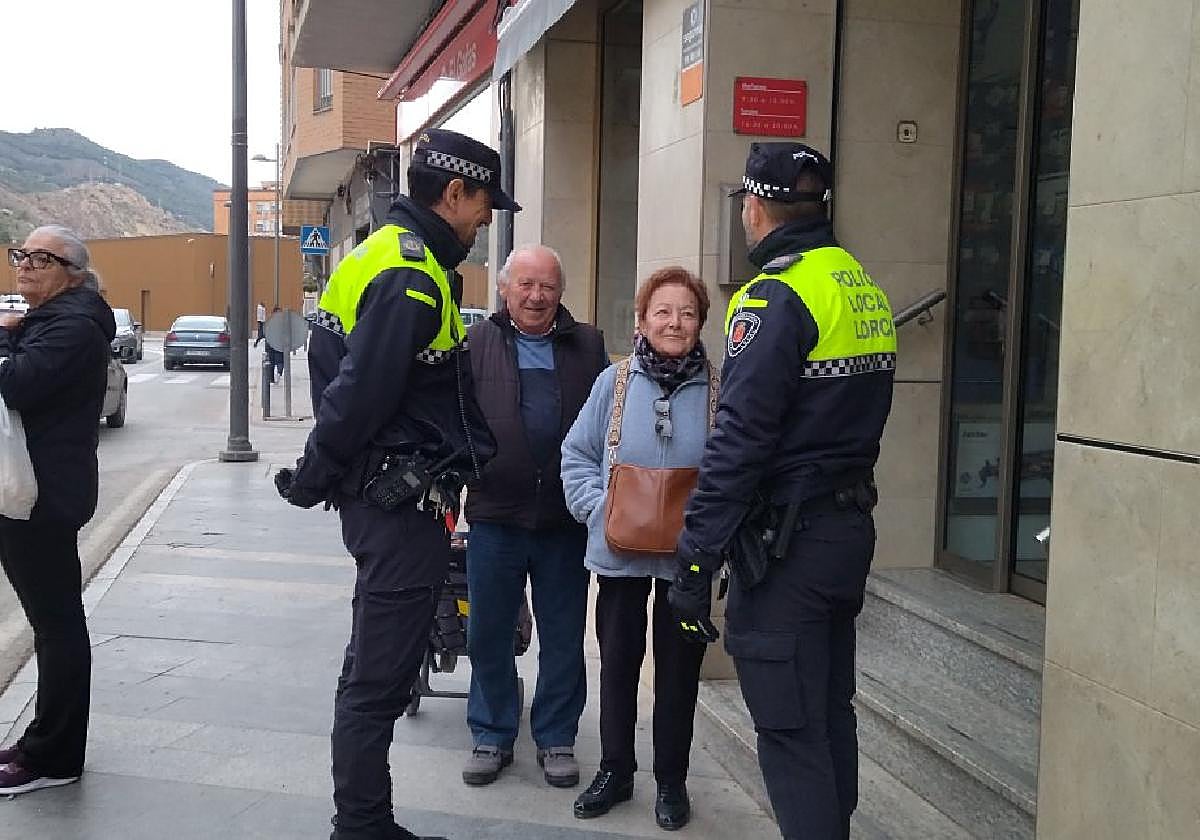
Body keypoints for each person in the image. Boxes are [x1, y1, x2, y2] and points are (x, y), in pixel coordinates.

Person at [274, 128, 517, 840]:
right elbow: (360, 396)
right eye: (483, 205)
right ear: (454, 193)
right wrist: (314, 475)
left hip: (390, 499)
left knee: (372, 667)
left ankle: (365, 822)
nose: (485, 220)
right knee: (378, 679)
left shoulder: (390, 255)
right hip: (398, 504)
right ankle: (361, 828)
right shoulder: (412, 273)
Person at [668, 143, 896, 840]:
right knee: (829, 716)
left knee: (791, 731)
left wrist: (696, 556)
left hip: (788, 547)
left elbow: (739, 442)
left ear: (756, 207)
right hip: (846, 529)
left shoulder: (774, 296)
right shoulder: (859, 283)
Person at [561, 267, 716, 830]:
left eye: (687, 313)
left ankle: (672, 781)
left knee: (679, 675)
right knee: (619, 666)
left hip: (688, 560)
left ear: (700, 322)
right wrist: (596, 511)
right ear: (642, 320)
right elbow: (575, 453)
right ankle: (616, 770)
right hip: (619, 553)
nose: (674, 323)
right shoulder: (616, 382)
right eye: (663, 312)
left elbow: (733, 471)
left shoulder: (720, 390)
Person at [461, 245, 607, 789]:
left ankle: (556, 738)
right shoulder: (477, 343)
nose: (536, 295)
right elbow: (459, 421)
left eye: (546, 286)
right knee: (488, 632)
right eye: (525, 284)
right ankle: (492, 733)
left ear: (560, 292)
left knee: (565, 634)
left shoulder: (587, 344)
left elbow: (602, 427)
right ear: (504, 289)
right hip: (496, 514)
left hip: (565, 518)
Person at [0, 226, 116, 794]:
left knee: (58, 625)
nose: (24, 264)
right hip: (33, 490)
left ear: (72, 270)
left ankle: (55, 755)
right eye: (21, 253)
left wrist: (2, 340)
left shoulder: (73, 325)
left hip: (43, 495)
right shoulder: (54, 320)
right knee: (52, 624)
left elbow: (18, 385)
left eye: (40, 257)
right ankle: (44, 740)